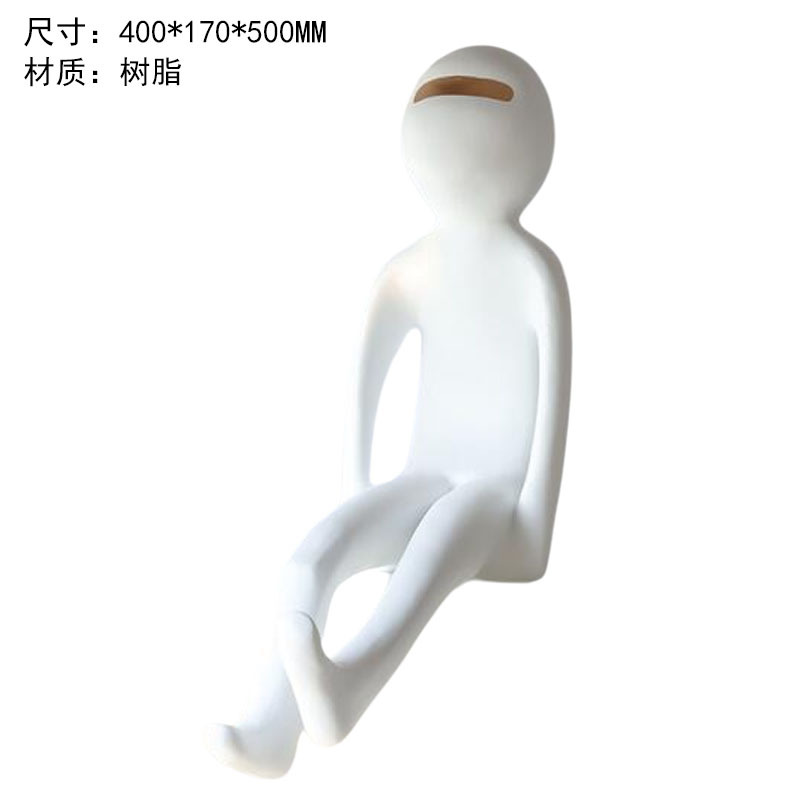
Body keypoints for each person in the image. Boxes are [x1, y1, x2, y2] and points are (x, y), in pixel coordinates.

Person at [209, 45, 571, 777]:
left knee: (438, 540)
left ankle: (347, 687)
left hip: (494, 496)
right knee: (315, 554)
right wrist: (358, 492)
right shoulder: (408, 267)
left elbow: (553, 410)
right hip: (423, 474)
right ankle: (273, 725)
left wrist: (534, 526)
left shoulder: (532, 270)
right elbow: (364, 380)